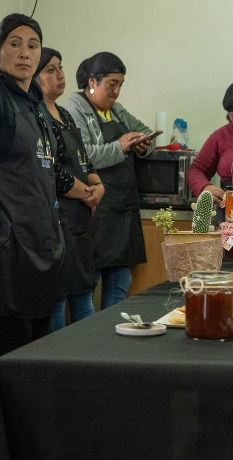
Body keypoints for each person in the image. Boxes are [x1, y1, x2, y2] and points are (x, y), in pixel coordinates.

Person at [0, 14, 73, 364]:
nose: (25, 52)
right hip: (10, 254)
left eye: (33, 45)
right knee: (12, 367)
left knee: (36, 365)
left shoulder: (35, 103)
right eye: (15, 43)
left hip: (42, 247)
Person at [65, 52, 155, 309]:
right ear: (92, 81)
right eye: (111, 85)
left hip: (122, 208)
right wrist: (120, 146)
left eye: (120, 86)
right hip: (95, 208)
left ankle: (111, 340)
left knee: (120, 280)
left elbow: (146, 131)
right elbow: (83, 155)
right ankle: (91, 343)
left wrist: (143, 144)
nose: (116, 92)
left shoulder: (116, 111)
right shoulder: (75, 108)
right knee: (88, 281)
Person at [35, 48, 105, 330]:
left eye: (60, 67)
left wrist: (97, 185)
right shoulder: (35, 114)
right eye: (50, 70)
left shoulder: (65, 114)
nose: (60, 75)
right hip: (56, 218)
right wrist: (84, 193)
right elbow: (49, 168)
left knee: (83, 294)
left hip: (80, 219)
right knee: (58, 298)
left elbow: (83, 159)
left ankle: (89, 365)